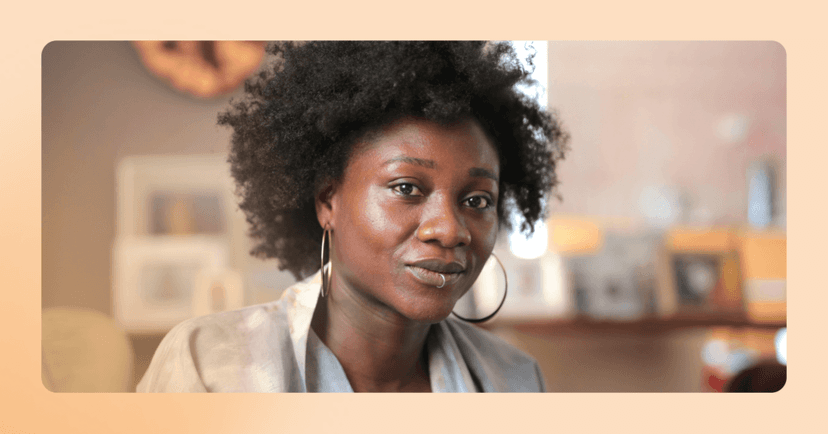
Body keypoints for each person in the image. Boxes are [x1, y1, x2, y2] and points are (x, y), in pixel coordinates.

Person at [137, 41, 568, 393]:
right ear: (328, 202)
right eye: (406, 188)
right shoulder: (210, 368)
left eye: (477, 200)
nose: (449, 229)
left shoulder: (513, 381)